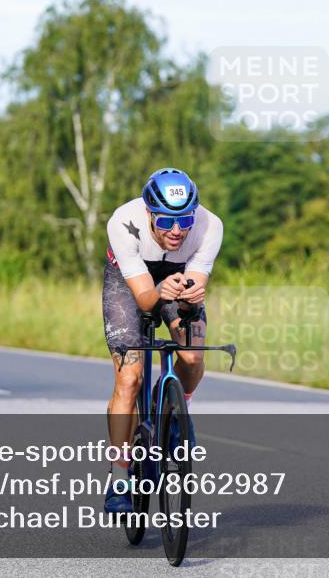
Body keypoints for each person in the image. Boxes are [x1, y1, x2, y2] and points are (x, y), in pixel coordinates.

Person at [102, 168, 223, 513]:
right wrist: (158, 292)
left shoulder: (210, 225)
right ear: (148, 213)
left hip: (177, 277)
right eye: (167, 221)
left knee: (193, 357)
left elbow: (192, 293)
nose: (176, 231)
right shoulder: (123, 221)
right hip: (129, 284)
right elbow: (143, 299)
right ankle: (120, 476)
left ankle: (172, 403)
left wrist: (189, 298)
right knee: (129, 377)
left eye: (185, 220)